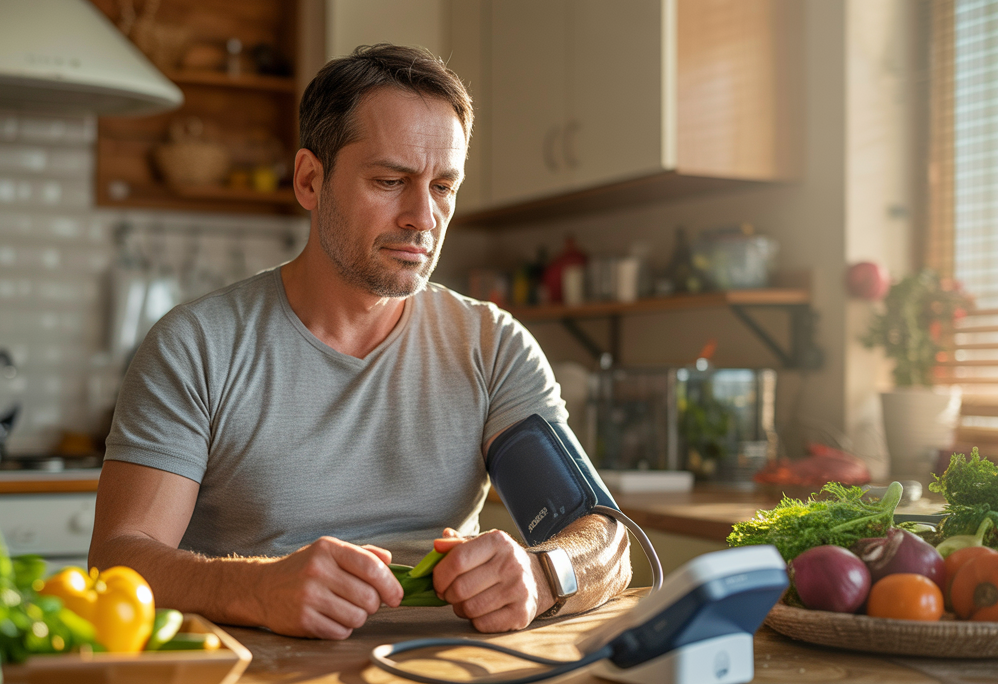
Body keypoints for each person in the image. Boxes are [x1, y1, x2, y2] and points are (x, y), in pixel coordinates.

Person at [89, 44, 631, 640]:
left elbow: (605, 540)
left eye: (444, 186)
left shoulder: (491, 347)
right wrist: (257, 588)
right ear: (309, 180)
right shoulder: (196, 347)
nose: (423, 216)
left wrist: (544, 574)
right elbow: (119, 561)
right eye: (390, 180)